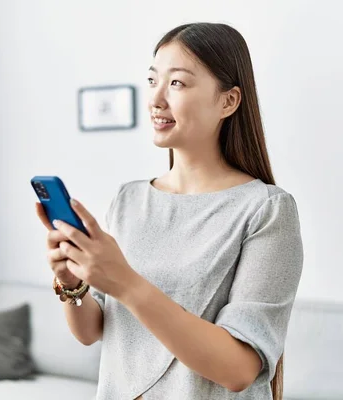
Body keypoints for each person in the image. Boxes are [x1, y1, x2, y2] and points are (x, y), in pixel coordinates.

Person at [36, 22, 304, 400]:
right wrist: (71, 281)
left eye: (177, 83)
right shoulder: (128, 201)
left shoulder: (266, 210)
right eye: (152, 80)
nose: (156, 99)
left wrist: (124, 282)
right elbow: (92, 332)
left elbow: (239, 368)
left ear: (228, 101)